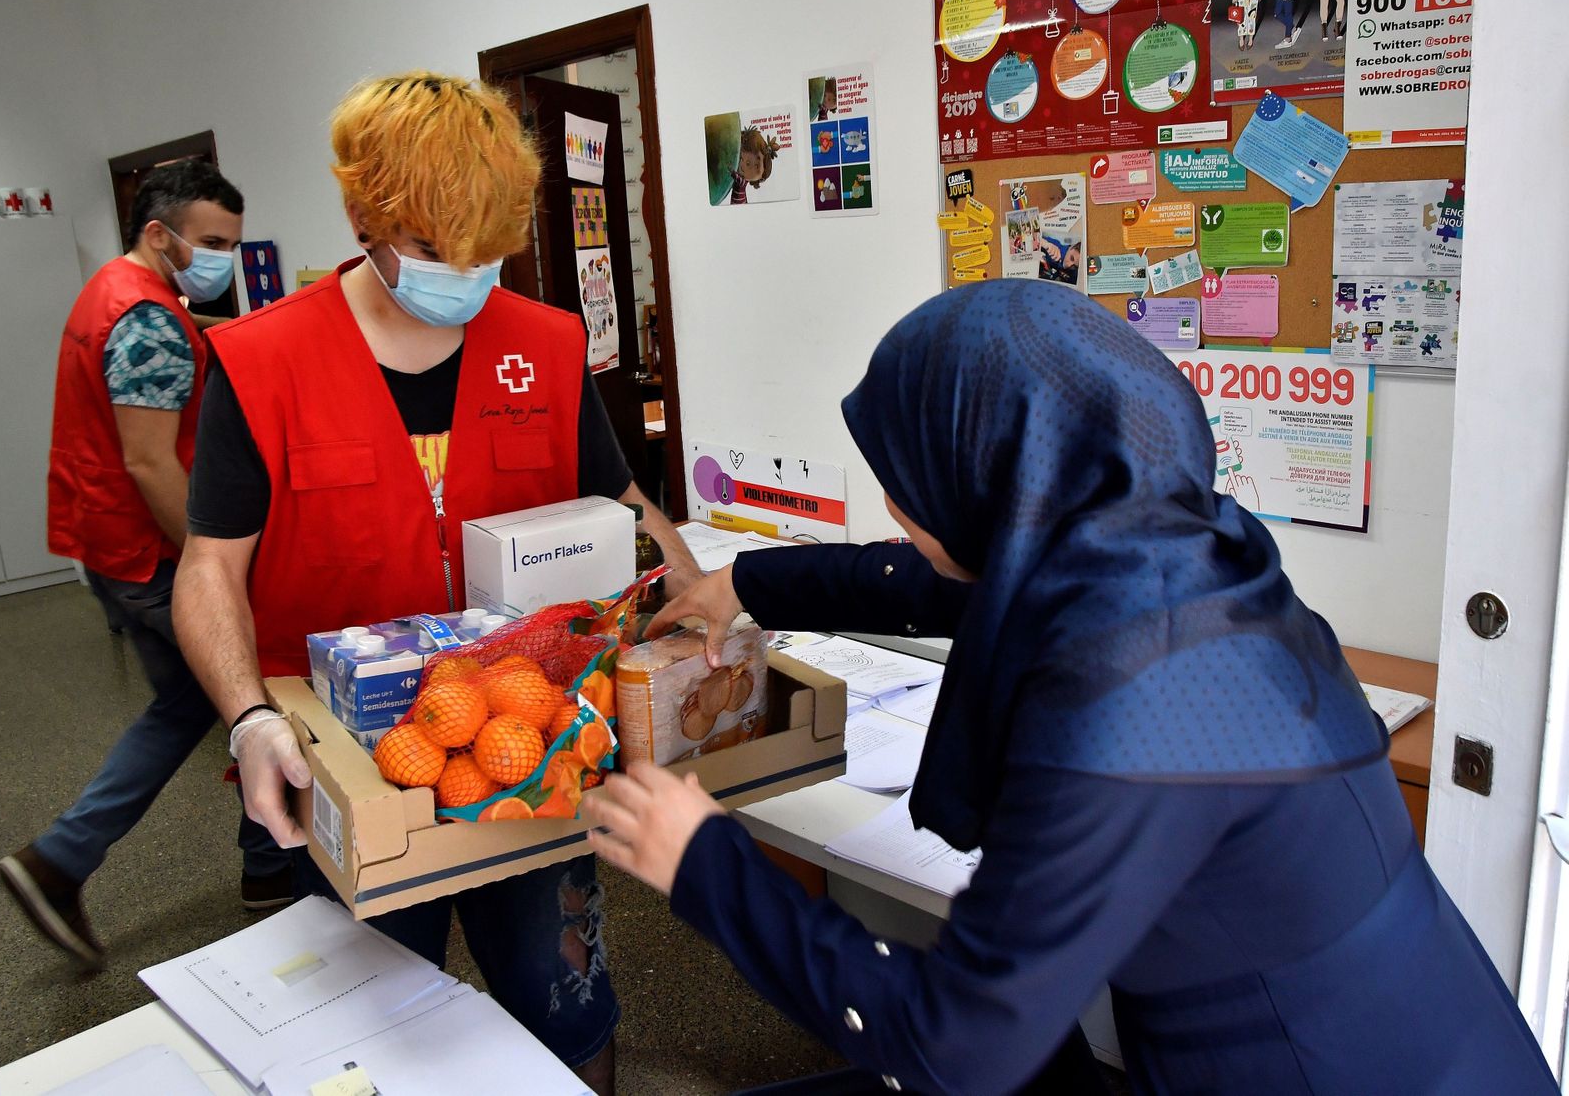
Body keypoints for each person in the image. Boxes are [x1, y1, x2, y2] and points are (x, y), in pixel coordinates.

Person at [585, 282, 1559, 1095]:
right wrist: (744, 580)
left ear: (1000, 472)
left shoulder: (1132, 704)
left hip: (1314, 1066)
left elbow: (956, 1039)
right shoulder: (1164, 542)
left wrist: (703, 858)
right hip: (1413, 1017)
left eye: (906, 481)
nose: (892, 505)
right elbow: (936, 578)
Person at [172, 72, 698, 1095]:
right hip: (345, 757)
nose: (461, 273)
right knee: (371, 1034)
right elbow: (209, 566)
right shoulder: (260, 360)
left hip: (526, 737)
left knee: (566, 998)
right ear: (362, 217)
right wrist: (245, 718)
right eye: (431, 249)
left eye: (483, 252)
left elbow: (622, 500)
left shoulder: (543, 344)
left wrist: (706, 609)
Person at [0, 161, 292, 972]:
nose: (222, 259)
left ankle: (261, 868)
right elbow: (153, 463)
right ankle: (65, 858)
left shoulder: (110, 290)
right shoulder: (151, 320)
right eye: (210, 243)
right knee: (249, 682)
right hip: (150, 553)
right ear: (157, 234)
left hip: (109, 544)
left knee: (191, 704)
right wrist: (213, 571)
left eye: (233, 243)